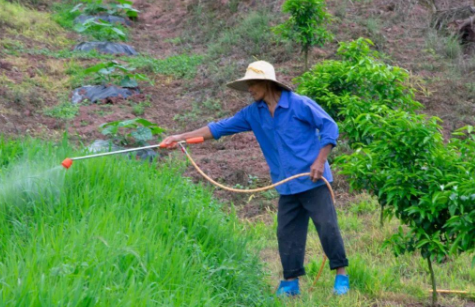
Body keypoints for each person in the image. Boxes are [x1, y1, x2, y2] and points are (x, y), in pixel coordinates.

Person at [161, 60, 349, 296]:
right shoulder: (253, 113)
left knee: (327, 226)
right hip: (286, 184)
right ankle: (291, 283)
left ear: (267, 83)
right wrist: (180, 137)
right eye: (248, 84)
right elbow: (218, 128)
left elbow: (330, 127)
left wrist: (320, 161)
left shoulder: (299, 104)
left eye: (252, 83)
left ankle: (341, 276)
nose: (249, 89)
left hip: (312, 179)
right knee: (287, 233)